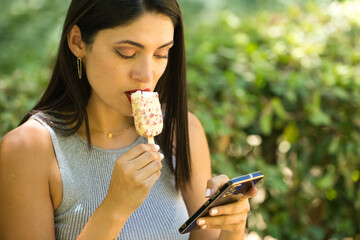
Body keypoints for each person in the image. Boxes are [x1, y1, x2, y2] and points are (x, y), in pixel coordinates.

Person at [0, 0, 257, 239]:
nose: (146, 75)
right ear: (78, 42)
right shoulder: (28, 150)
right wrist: (115, 208)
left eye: (161, 54)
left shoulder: (183, 130)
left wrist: (233, 227)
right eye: (126, 52)